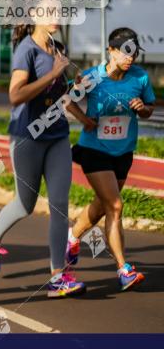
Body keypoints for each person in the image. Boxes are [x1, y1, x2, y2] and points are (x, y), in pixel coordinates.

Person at [0, 9, 86, 298]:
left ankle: (57, 276)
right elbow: (15, 94)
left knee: (59, 206)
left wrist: (86, 116)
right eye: (48, 11)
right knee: (25, 205)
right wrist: (52, 73)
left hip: (57, 136)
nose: (56, 16)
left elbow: (62, 96)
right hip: (27, 136)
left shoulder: (58, 48)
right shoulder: (25, 50)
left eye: (60, 11)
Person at [65, 28, 154, 291]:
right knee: (115, 205)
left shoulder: (140, 77)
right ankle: (123, 269)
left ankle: (72, 236)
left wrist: (143, 108)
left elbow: (150, 109)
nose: (131, 58)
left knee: (103, 205)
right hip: (94, 149)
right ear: (111, 51)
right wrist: (84, 120)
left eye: (134, 53)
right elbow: (67, 100)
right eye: (125, 52)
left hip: (123, 152)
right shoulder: (93, 77)